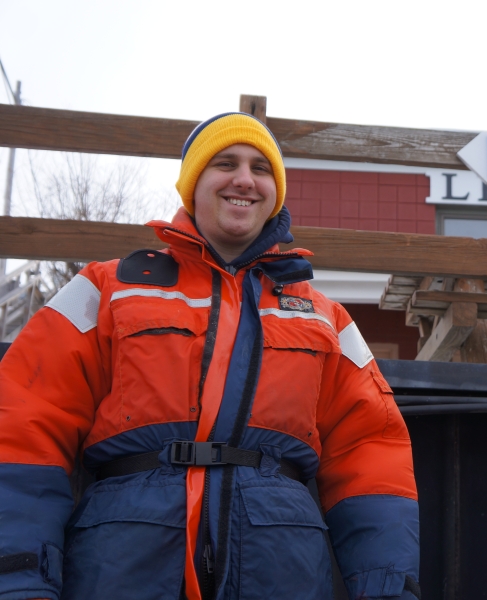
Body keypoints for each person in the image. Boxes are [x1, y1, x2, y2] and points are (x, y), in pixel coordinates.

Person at [0, 113, 421, 600]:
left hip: (282, 570)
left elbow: (372, 450)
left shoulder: (325, 318)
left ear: (275, 194)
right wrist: (19, 576)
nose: (244, 179)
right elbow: (23, 424)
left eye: (261, 169)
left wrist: (388, 588)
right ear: (192, 184)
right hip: (122, 567)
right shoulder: (107, 288)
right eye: (225, 163)